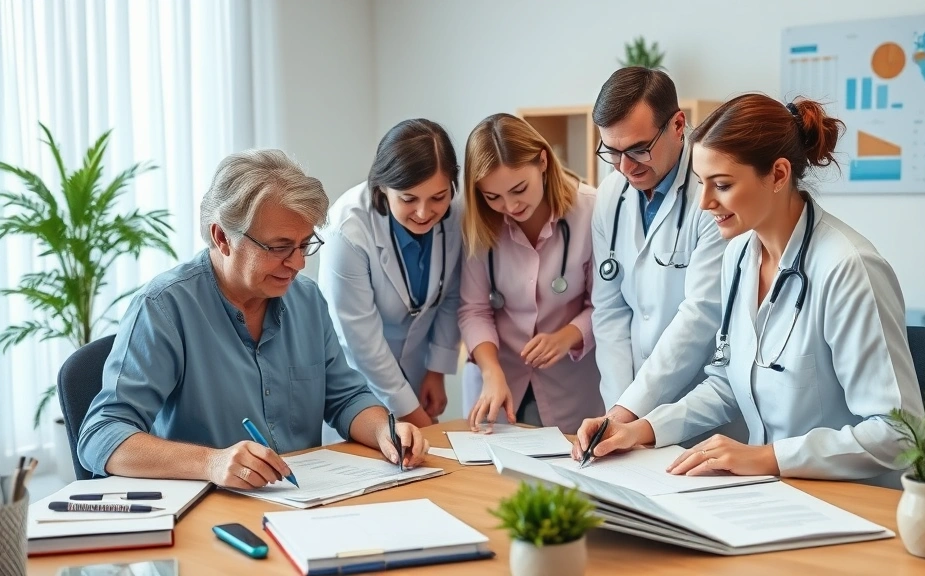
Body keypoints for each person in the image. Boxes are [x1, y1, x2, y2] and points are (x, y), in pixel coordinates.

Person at [573, 94, 925, 483]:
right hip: (771, 490)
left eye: (721, 185)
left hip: (847, 496)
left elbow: (899, 434)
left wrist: (769, 457)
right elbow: (727, 383)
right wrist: (641, 429)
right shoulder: (740, 255)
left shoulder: (848, 269)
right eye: (702, 183)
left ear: (777, 175)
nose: (705, 202)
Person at [78, 150, 428, 489]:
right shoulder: (164, 308)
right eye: (279, 247)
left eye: (305, 245)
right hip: (211, 514)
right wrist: (211, 463)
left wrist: (385, 429)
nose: (298, 263)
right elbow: (102, 436)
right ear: (222, 237)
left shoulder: (306, 300)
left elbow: (346, 398)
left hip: (303, 503)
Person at [589, 66, 733, 431]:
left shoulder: (712, 192)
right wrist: (619, 409)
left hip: (700, 408)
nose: (624, 167)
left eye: (638, 149)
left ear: (678, 125)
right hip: (627, 409)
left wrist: (629, 411)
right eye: (612, 151)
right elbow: (609, 311)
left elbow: (701, 315)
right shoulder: (611, 195)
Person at [458, 113, 603, 434]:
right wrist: (491, 370)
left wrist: (568, 336)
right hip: (497, 382)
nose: (509, 206)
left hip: (570, 384)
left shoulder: (591, 210)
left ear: (543, 162)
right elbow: (474, 309)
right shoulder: (478, 221)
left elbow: (606, 305)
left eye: (519, 189)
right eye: (492, 196)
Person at [318, 119, 462, 429]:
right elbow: (361, 341)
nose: (425, 213)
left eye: (438, 197)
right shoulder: (348, 229)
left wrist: (436, 370)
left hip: (419, 368)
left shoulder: (456, 216)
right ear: (382, 186)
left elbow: (451, 295)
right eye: (409, 199)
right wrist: (416, 418)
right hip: (359, 385)